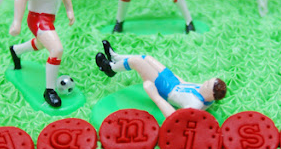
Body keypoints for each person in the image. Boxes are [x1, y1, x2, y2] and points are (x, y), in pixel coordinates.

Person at [9, 0, 75, 108]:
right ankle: (49, 91)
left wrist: (69, 10)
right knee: (56, 49)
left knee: (40, 44)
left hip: (49, 19)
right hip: (38, 20)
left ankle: (16, 50)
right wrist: (17, 22)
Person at [95, 41, 226, 118]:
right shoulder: (205, 92)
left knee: (137, 62)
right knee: (147, 58)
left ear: (211, 94)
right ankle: (116, 57)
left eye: (207, 85)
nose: (204, 83)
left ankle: (110, 68)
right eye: (208, 81)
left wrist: (156, 96)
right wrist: (173, 76)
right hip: (174, 81)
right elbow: (186, 84)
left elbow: (174, 118)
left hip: (166, 89)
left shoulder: (195, 105)